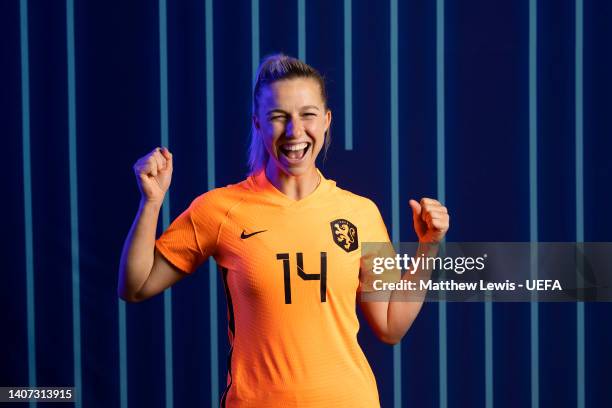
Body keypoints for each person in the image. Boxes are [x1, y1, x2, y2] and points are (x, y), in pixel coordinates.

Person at [117, 54, 449, 407]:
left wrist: (428, 247)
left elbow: (390, 325)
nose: (294, 131)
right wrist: (150, 203)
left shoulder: (360, 212)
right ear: (258, 124)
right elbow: (135, 287)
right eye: (278, 117)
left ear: (326, 121)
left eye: (307, 115)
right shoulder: (220, 209)